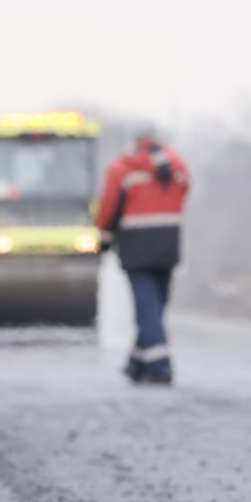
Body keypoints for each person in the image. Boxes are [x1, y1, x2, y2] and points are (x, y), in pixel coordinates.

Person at [96, 127, 189, 385]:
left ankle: (160, 366)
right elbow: (184, 194)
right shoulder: (178, 165)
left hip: (136, 246)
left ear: (135, 142)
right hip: (168, 244)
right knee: (156, 306)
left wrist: (103, 236)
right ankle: (137, 364)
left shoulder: (121, 168)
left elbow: (109, 208)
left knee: (147, 308)